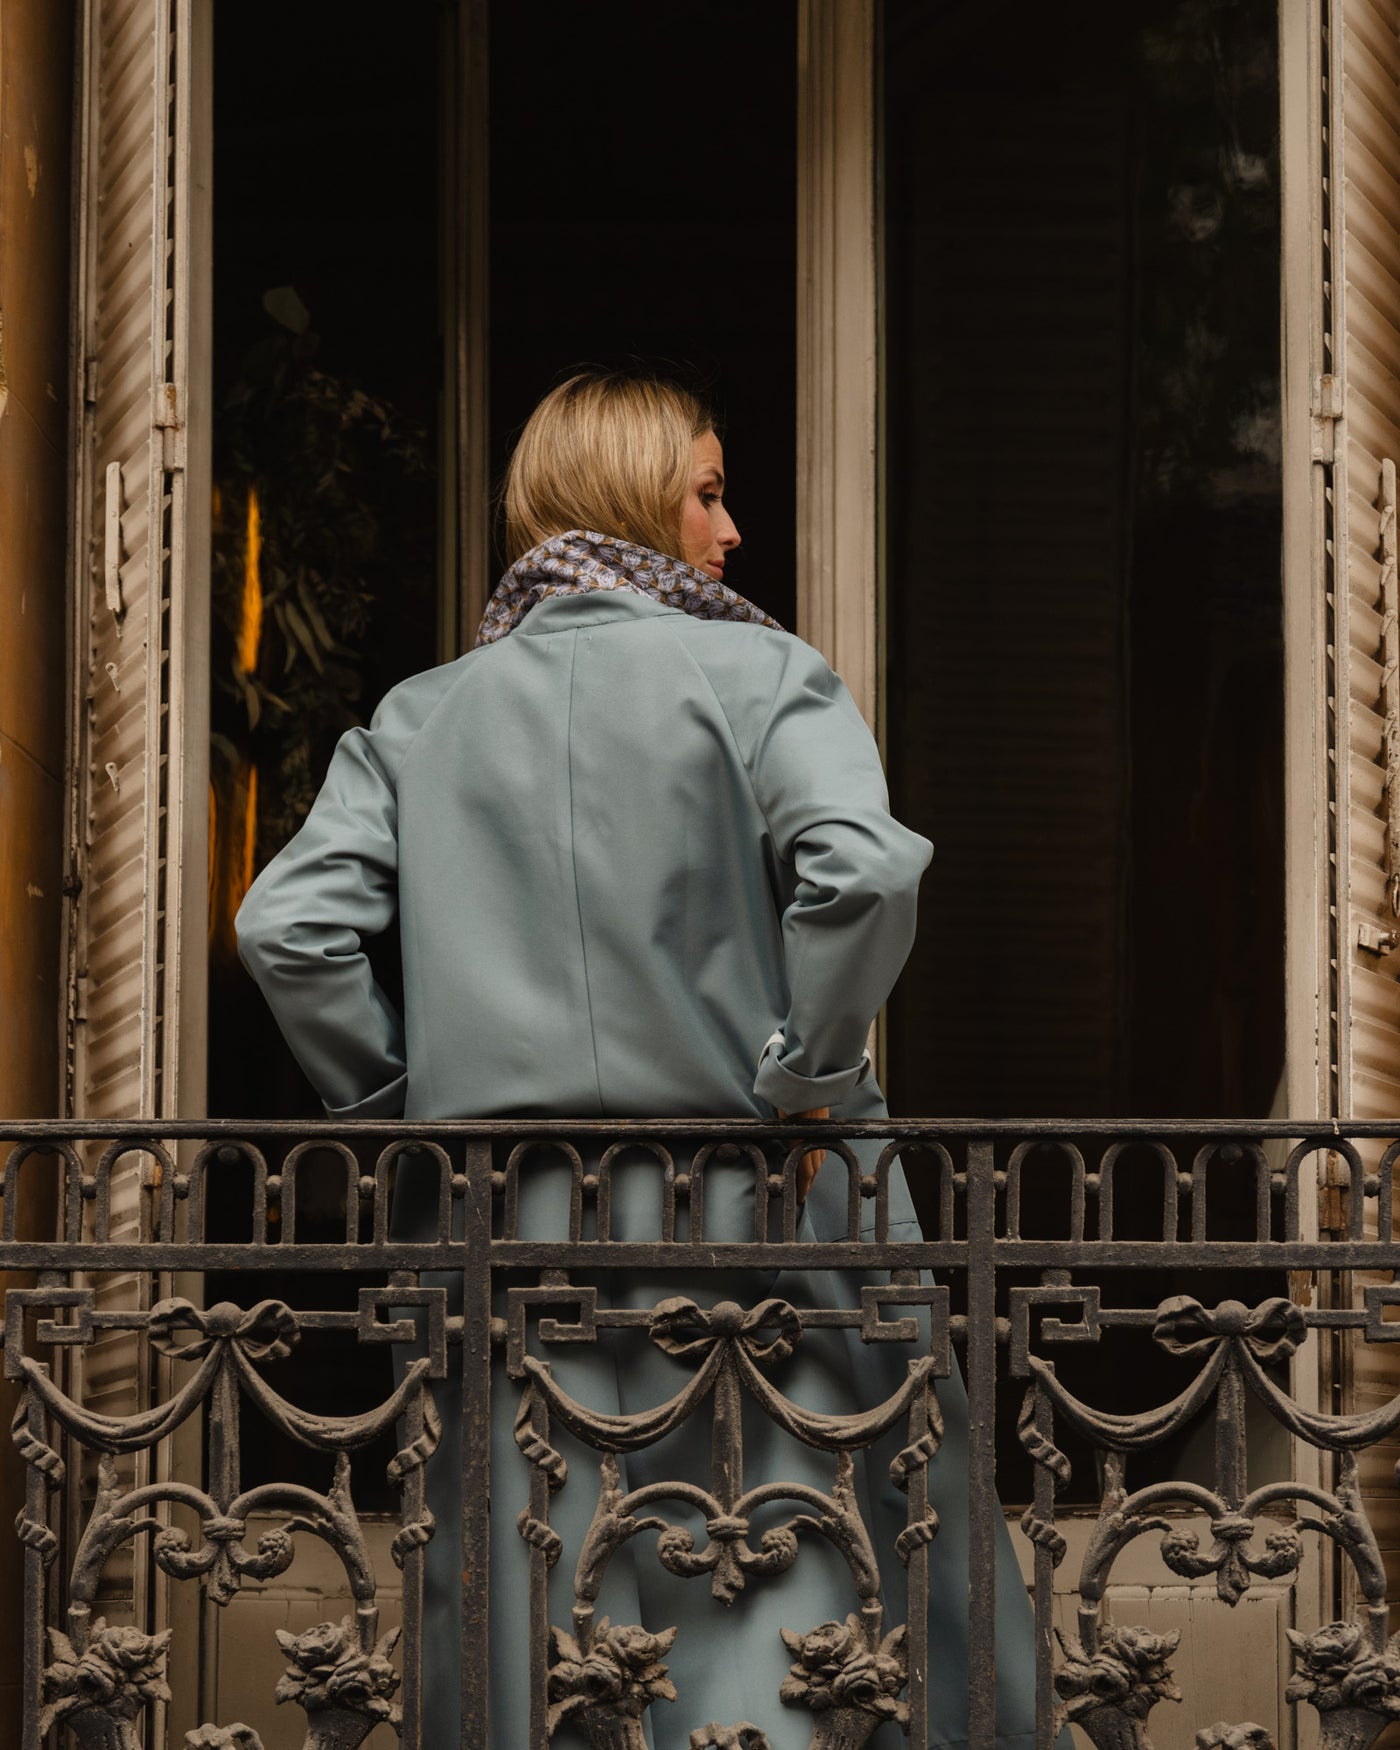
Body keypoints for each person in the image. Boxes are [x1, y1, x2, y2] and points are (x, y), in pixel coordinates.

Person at [235, 370, 1040, 1749]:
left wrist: (394, 1102)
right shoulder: (755, 671)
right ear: (627, 495)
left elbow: (284, 924)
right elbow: (862, 874)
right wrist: (807, 1068)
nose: (730, 535)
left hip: (512, 1232)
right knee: (810, 1589)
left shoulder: (427, 716)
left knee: (538, 1605)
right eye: (708, 491)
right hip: (761, 1217)